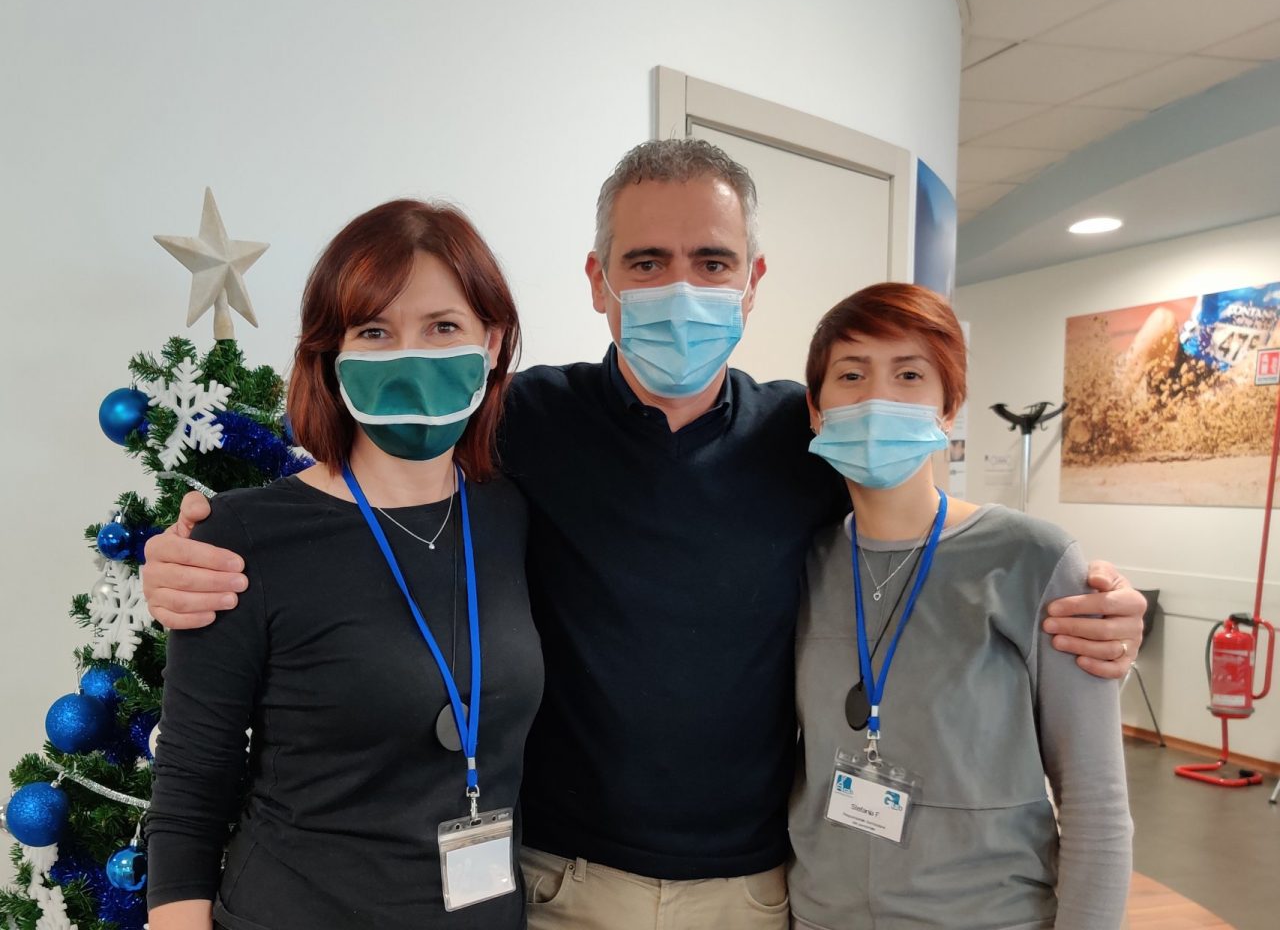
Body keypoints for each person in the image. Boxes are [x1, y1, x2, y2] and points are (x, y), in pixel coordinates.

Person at [143, 140, 1146, 930]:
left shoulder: (806, 439)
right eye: (647, 262)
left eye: (711, 262)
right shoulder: (519, 425)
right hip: (555, 886)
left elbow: (926, 527)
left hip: (753, 892)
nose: (680, 289)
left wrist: (1095, 602)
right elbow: (371, 474)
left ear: (752, 279)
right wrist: (187, 550)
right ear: (598, 279)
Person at [145, 200, 542, 930]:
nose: (410, 357)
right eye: (375, 332)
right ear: (333, 354)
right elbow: (191, 786)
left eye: (443, 327)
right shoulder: (243, 536)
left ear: (491, 342)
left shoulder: (509, 514)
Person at [790, 283, 1132, 930]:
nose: (878, 398)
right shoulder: (805, 564)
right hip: (821, 915)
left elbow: (1096, 803)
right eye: (851, 374)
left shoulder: (1032, 559)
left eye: (909, 375)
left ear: (949, 408)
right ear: (815, 408)